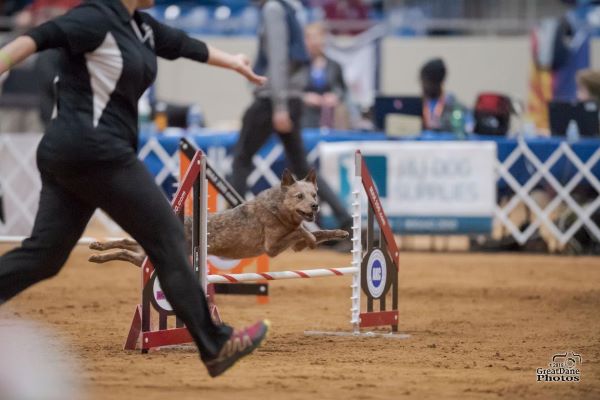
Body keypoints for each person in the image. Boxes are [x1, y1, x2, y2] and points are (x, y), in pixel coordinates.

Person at [0, 0, 269, 378]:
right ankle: (216, 344)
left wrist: (236, 62)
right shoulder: (95, 17)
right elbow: (34, 39)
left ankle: (214, 343)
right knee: (169, 238)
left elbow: (187, 45)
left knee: (44, 256)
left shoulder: (141, 26)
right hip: (97, 151)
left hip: (71, 153)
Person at [229, 0, 353, 236]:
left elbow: (278, 59)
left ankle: (234, 228)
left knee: (241, 159)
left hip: (273, 99)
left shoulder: (273, 9)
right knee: (302, 167)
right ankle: (347, 224)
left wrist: (280, 106)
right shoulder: (292, 8)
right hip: (292, 98)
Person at [302, 22, 347, 129]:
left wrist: (335, 96)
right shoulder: (298, 66)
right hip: (304, 117)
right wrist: (304, 97)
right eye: (310, 38)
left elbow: (342, 89)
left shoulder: (334, 65)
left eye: (317, 37)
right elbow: (289, 89)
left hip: (329, 118)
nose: (314, 42)